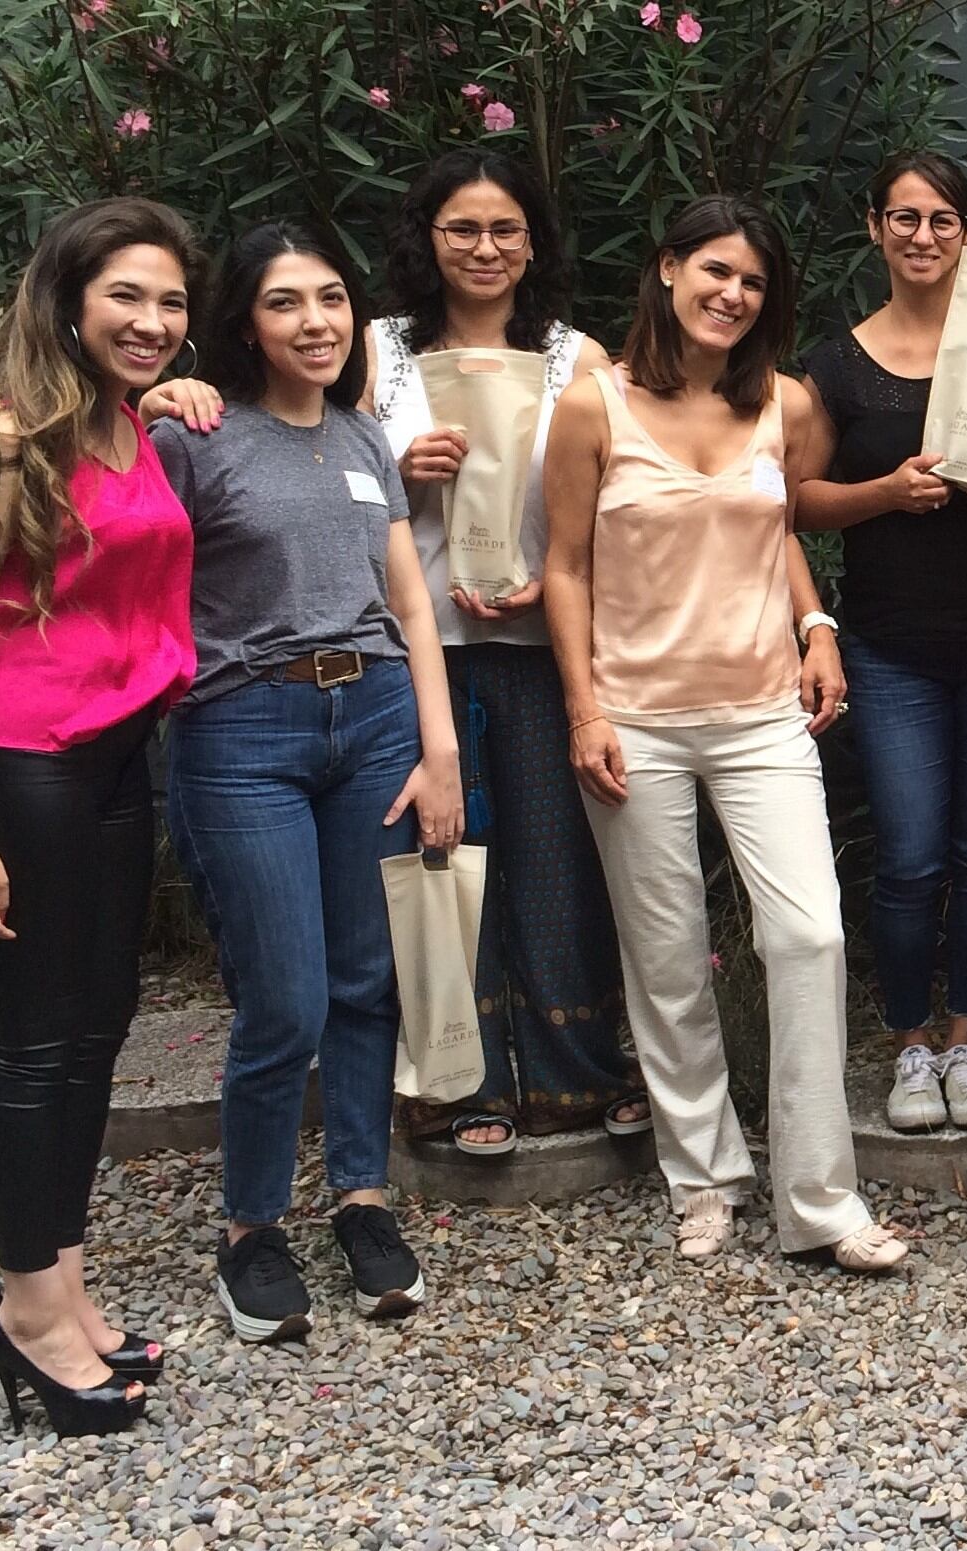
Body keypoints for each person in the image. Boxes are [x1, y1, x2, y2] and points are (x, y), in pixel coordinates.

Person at [539, 196, 910, 1273]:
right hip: (635, 719)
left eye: (750, 282)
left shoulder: (782, 404)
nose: (730, 295)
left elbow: (776, 528)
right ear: (666, 270)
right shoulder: (592, 405)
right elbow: (563, 565)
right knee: (665, 959)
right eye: (713, 271)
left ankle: (822, 1200)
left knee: (809, 938)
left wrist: (817, 624)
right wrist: (584, 709)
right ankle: (702, 1177)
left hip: (760, 715)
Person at [0, 197, 195, 1433]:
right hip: (25, 762)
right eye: (126, 296)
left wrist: (171, 401)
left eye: (172, 301)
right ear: (68, 302)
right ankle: (28, 1314)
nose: (152, 320)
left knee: (97, 1023)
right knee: (35, 1039)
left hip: (119, 757)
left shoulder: (124, 424)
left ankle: (64, 1291)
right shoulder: (0, 432)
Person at [152, 224, 462, 1343]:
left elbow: (410, 602)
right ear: (246, 322)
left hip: (375, 716)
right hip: (244, 730)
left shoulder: (364, 438)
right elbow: (114, 533)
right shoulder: (198, 437)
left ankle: (363, 1200)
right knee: (283, 996)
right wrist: (142, 406)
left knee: (366, 981)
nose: (316, 322)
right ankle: (251, 1226)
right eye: (287, 304)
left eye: (332, 298)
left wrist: (440, 749)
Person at [365, 149, 647, 1156]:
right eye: (463, 230)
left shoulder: (582, 359)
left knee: (553, 854)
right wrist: (401, 472)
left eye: (506, 230)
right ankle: (456, 1081)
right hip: (413, 647)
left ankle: (576, 1072)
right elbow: (326, 488)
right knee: (437, 856)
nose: (486, 248)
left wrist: (561, 585)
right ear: (427, 240)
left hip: (540, 640)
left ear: (533, 245)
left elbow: (622, 511)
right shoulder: (376, 352)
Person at [795, 152, 967, 1135]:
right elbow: (797, 497)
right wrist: (885, 494)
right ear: (875, 228)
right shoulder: (840, 361)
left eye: (943, 219)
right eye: (904, 218)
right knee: (908, 855)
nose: (924, 236)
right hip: (891, 647)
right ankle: (910, 1048)